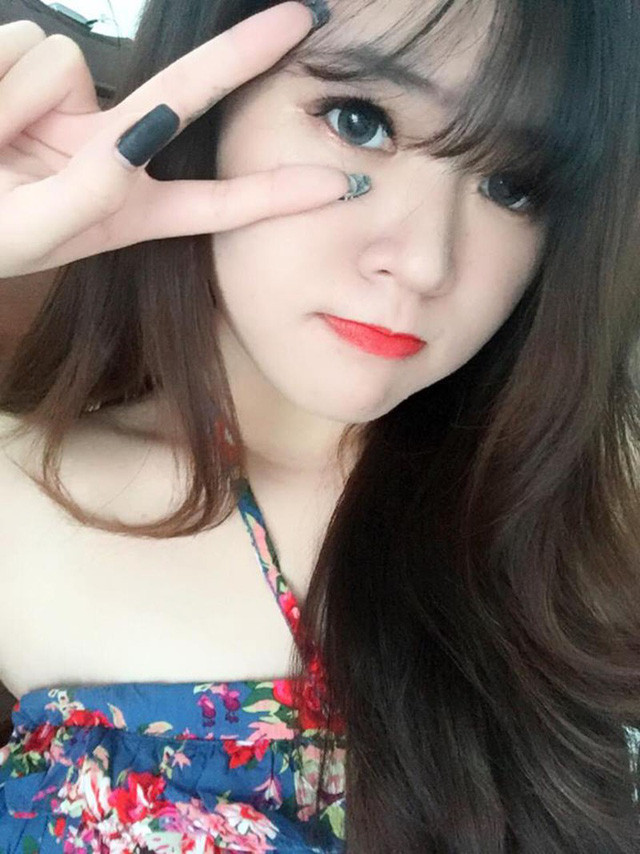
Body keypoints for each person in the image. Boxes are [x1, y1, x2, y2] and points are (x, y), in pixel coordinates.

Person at [0, 0, 638, 850]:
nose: (426, 263)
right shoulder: (19, 493)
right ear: (203, 117)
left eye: (511, 185)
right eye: (358, 121)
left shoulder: (588, 515)